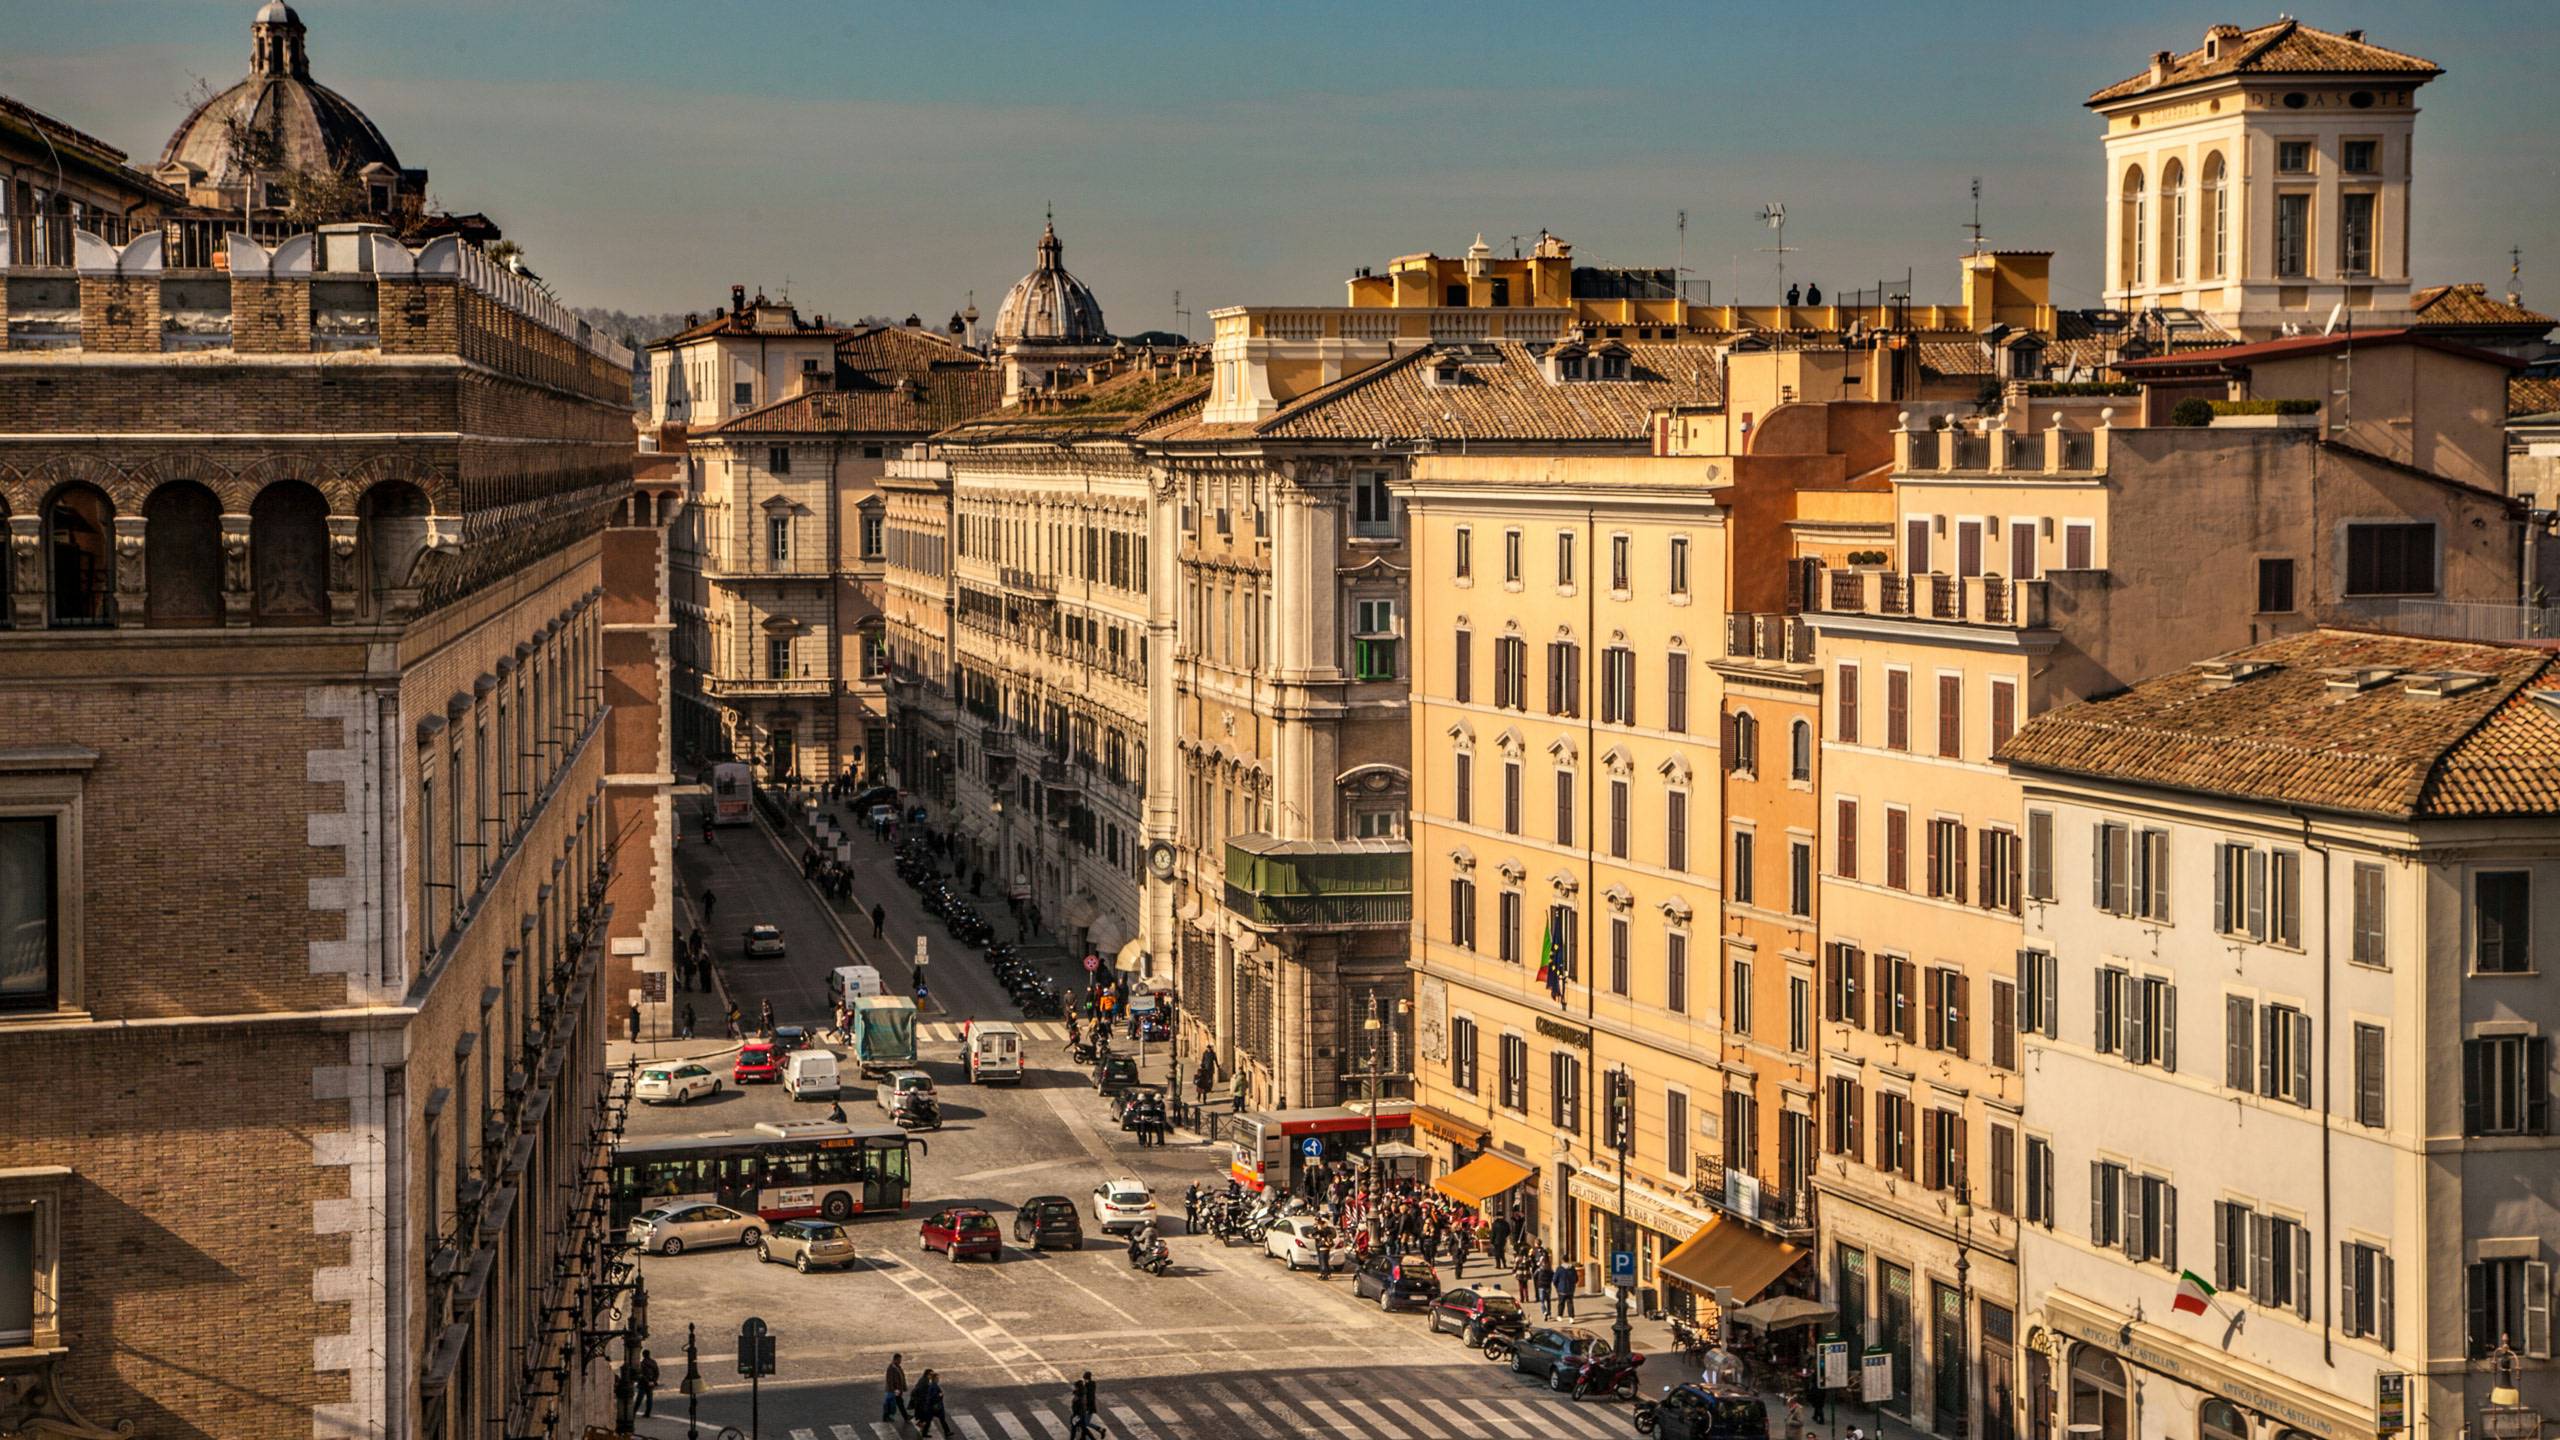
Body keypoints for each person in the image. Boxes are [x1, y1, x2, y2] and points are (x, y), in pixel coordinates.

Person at [910, 1368, 951, 1438]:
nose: (938, 1379)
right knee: (931, 1420)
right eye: (937, 1378)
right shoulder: (932, 1386)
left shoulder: (930, 1384)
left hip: (932, 1407)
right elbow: (932, 1397)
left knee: (938, 1419)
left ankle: (947, 1431)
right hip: (932, 1407)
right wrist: (940, 1395)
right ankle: (924, 1431)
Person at [1068, 1371, 1102, 1440]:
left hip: (1080, 1413)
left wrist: (1076, 1415)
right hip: (1082, 1413)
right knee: (1083, 1426)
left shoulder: (1081, 1395)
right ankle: (1084, 1437)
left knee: (1077, 1426)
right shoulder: (1087, 1387)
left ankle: (1098, 1430)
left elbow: (1079, 1406)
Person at [881, 1354, 909, 1425]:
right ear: (895, 1359)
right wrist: (894, 1390)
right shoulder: (891, 1368)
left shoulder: (897, 1367)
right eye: (899, 1360)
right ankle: (886, 1417)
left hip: (897, 1390)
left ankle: (905, 1416)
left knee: (899, 1403)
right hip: (894, 1391)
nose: (900, 1361)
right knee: (891, 1404)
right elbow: (890, 1380)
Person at [635, 1347, 658, 1416]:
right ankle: (648, 1413)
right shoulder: (653, 1362)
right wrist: (654, 1381)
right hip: (651, 1383)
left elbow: (641, 1374)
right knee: (649, 1398)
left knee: (639, 1399)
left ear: (643, 1355)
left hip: (643, 1383)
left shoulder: (642, 1364)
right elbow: (657, 1372)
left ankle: (634, 1411)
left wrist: (647, 1381)